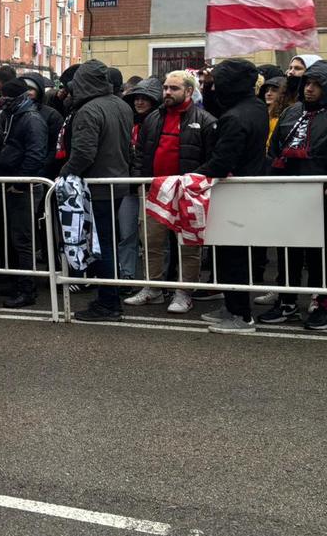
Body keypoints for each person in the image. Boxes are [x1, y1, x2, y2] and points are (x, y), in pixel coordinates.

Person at [126, 72, 217, 313]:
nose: (167, 92)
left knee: (188, 245)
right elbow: (140, 155)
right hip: (155, 191)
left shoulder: (206, 120)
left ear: (188, 91)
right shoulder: (153, 118)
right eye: (165, 87)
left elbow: (211, 159)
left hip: (188, 193)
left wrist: (195, 186)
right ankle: (153, 289)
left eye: (174, 88)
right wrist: (139, 183)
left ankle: (184, 292)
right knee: (152, 243)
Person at [195, 59, 269, 333]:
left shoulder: (236, 118)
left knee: (233, 256)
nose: (215, 88)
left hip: (234, 193)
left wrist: (190, 177)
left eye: (218, 82)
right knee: (229, 254)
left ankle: (241, 315)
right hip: (243, 192)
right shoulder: (255, 107)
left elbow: (221, 161)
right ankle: (231, 306)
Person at [59, 60, 133, 321]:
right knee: (109, 242)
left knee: (101, 246)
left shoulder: (89, 110)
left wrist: (63, 175)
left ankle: (109, 302)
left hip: (96, 187)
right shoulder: (121, 105)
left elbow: (84, 153)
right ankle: (110, 299)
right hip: (116, 183)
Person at [263, 59, 327, 329]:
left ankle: (321, 302)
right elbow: (275, 148)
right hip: (288, 190)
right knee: (288, 249)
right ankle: (287, 301)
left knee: (318, 254)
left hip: (320, 195)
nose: (309, 89)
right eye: (306, 84)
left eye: (316, 85)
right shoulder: (291, 113)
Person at [0, 77, 49, 308]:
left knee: (23, 239)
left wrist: (21, 182)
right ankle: (19, 281)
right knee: (14, 237)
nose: (0, 100)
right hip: (13, 184)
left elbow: (35, 154)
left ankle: (27, 289)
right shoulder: (14, 115)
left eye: (5, 97)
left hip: (23, 187)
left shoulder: (31, 119)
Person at [118, 76, 163, 288]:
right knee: (127, 233)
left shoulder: (162, 123)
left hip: (153, 187)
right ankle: (127, 276)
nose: (139, 102)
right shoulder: (128, 122)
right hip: (130, 186)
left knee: (154, 239)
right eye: (136, 98)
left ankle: (156, 281)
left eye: (145, 98)